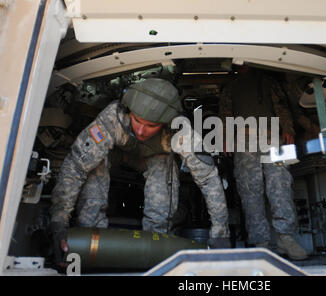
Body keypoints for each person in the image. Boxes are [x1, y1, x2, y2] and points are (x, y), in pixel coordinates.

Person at [49, 78, 230, 265]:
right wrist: (58, 223)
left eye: (151, 126)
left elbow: (208, 179)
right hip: (115, 156)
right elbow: (75, 166)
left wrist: (221, 234)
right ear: (129, 111)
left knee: (163, 166)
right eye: (137, 121)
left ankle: (155, 243)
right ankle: (90, 239)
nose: (142, 131)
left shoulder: (180, 130)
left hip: (153, 160)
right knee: (95, 162)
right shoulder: (113, 117)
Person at [219, 66, 307, 260]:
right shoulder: (231, 88)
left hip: (272, 138)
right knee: (250, 191)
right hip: (244, 142)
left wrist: (288, 129)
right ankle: (261, 243)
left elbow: (281, 106)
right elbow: (225, 115)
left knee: (280, 186)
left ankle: (286, 238)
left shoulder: (267, 81)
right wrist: (225, 137)